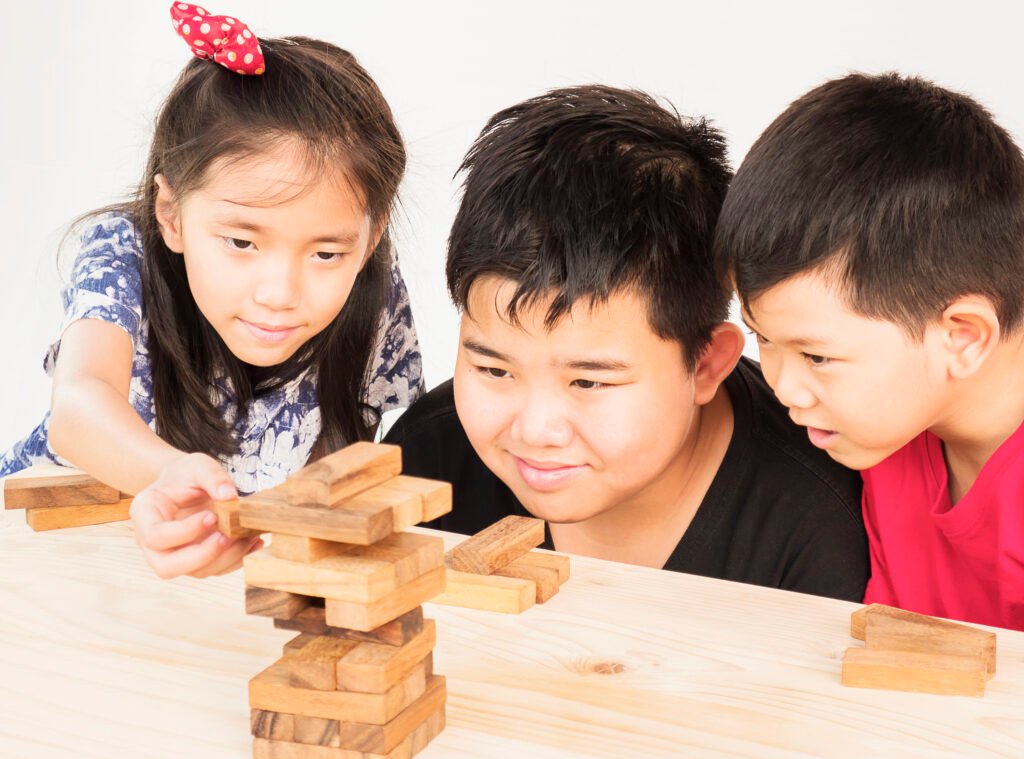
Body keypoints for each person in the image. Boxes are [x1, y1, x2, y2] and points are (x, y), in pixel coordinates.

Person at [385, 85, 868, 601]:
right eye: (495, 371)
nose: (535, 430)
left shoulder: (815, 527)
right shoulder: (427, 466)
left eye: (589, 380)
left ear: (705, 365)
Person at [0, 4, 424, 579]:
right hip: (41, 555)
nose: (280, 293)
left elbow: (337, 467)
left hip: (202, 589)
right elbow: (77, 406)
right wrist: (171, 476)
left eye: (326, 253)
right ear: (171, 214)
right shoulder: (121, 254)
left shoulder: (371, 286)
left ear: (370, 238)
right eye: (242, 243)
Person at [714, 72, 1024, 630]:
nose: (782, 386)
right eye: (763, 336)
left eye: (817, 357)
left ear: (962, 337)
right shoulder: (887, 439)